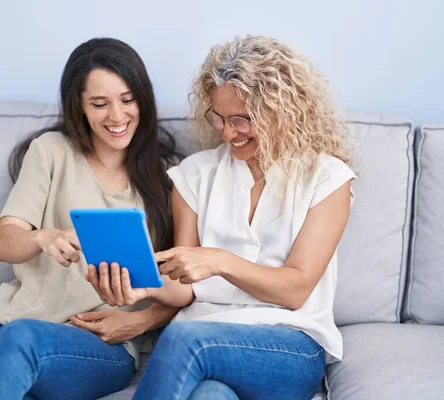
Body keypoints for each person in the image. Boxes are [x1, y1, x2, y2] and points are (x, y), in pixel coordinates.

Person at [88, 35, 356, 400]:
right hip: (202, 338)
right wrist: (140, 284)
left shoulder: (326, 177)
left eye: (242, 120)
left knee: (185, 339)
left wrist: (219, 261)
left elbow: (295, 290)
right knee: (209, 396)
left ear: (280, 110)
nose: (228, 133)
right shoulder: (195, 174)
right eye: (219, 118)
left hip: (286, 345)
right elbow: (185, 288)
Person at [0, 37, 182, 400]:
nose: (117, 116)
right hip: (14, 319)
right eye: (100, 104)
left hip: (99, 342)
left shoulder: (171, 177)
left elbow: (186, 289)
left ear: (143, 98)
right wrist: (42, 237)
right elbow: (2, 244)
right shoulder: (51, 151)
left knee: (20, 342)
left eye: (127, 100)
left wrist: (141, 320)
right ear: (80, 106)